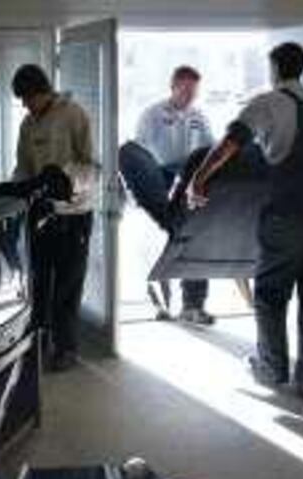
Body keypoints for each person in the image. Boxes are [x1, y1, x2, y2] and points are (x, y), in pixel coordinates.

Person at [188, 42, 303, 401]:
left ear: (274, 68)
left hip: (288, 216)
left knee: (271, 293)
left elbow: (231, 143)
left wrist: (199, 179)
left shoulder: (266, 103)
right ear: (301, 69)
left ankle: (272, 367)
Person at [10, 64, 97, 371]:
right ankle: (39, 343)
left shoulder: (74, 115)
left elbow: (91, 165)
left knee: (67, 286)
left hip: (74, 215)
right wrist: (17, 191)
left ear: (42, 91)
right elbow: (23, 167)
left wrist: (65, 182)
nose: (24, 104)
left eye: (26, 97)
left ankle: (67, 349)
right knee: (39, 282)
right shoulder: (27, 124)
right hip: (41, 214)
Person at [133, 65, 217, 325]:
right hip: (160, 180)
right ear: (173, 86)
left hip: (189, 181)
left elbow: (211, 149)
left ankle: (193, 305)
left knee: (196, 241)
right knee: (161, 244)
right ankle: (160, 304)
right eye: (186, 89)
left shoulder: (199, 116)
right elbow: (141, 151)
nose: (191, 95)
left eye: (195, 90)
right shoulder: (152, 114)